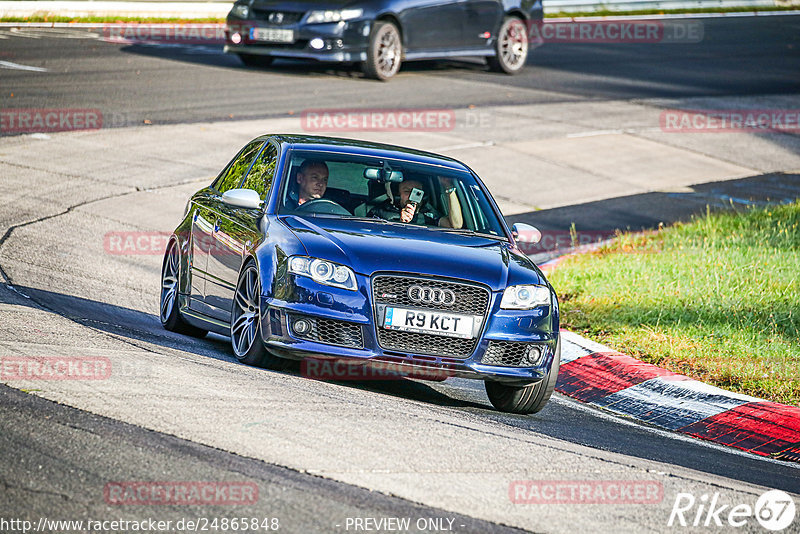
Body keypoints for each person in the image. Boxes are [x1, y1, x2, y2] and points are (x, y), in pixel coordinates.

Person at [369, 177, 463, 229]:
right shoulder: (380, 212)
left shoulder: (430, 214)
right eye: (406, 191)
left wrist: (449, 188)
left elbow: (456, 225)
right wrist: (400, 223)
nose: (411, 196)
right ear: (397, 194)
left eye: (417, 192)